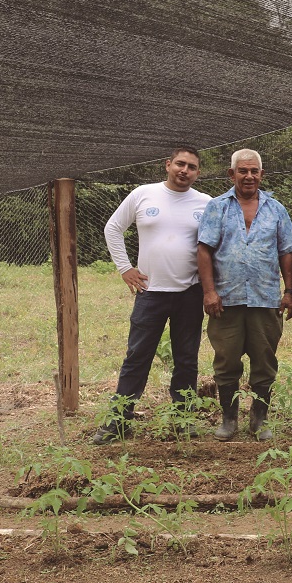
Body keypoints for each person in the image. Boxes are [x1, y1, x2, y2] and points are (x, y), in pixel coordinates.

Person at [94, 147, 212, 443]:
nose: (185, 171)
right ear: (168, 165)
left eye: (192, 167)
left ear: (198, 173)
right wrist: (125, 268)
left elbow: (214, 245)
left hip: (190, 292)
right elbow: (113, 228)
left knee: (186, 359)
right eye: (180, 164)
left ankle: (183, 419)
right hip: (150, 293)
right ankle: (119, 421)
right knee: (137, 356)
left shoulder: (206, 203)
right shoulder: (143, 194)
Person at [196, 149, 292, 442]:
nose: (249, 176)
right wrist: (209, 292)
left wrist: (289, 291)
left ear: (261, 175)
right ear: (232, 174)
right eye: (243, 171)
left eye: (254, 171)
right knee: (226, 361)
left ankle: (259, 419)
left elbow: (286, 252)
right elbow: (204, 251)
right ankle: (228, 420)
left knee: (265, 361)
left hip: (265, 298)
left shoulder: (276, 209)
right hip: (225, 300)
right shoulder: (217, 207)